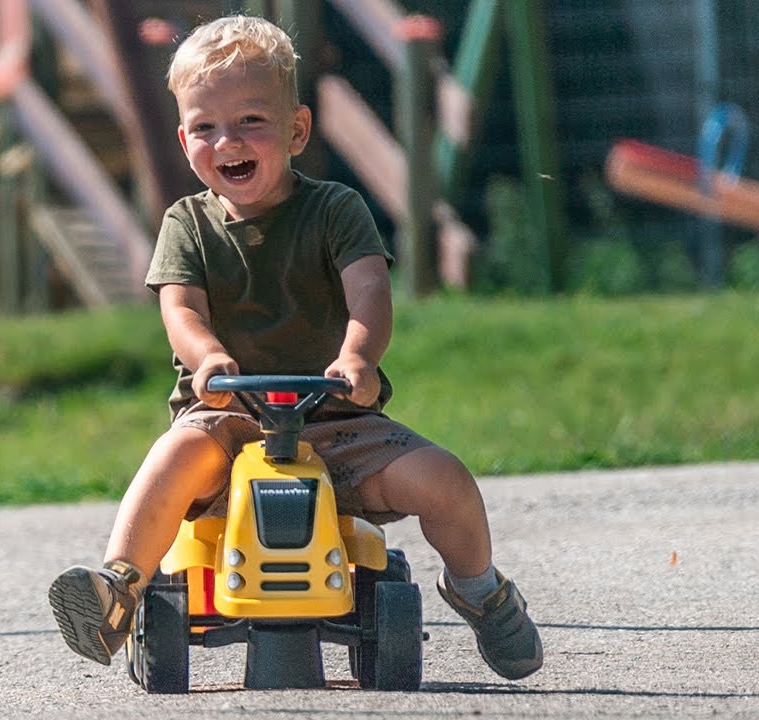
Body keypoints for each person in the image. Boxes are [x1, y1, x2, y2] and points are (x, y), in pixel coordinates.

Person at [47, 14, 542, 682]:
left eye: (251, 120)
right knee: (175, 455)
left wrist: (358, 360)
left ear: (297, 130)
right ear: (183, 137)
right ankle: (118, 586)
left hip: (337, 421)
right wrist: (208, 361)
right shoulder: (186, 224)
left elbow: (369, 291)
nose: (228, 141)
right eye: (205, 127)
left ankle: (480, 589)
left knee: (445, 480)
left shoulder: (335, 210)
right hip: (228, 422)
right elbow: (181, 309)